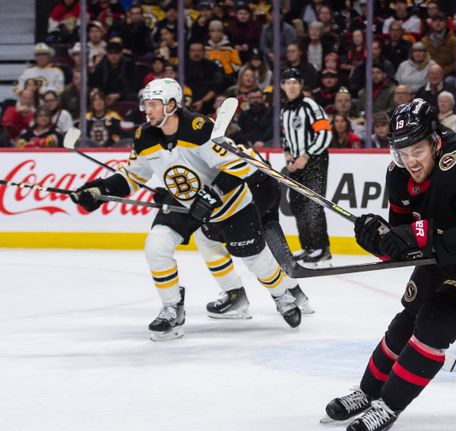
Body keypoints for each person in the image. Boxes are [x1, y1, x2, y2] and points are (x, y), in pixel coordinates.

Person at [325, 99, 456, 431]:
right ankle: (367, 392)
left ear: (436, 142)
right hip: (445, 254)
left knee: (437, 322)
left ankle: (388, 407)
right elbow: (403, 240)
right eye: (402, 152)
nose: (410, 161)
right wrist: (379, 240)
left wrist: (420, 236)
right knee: (406, 320)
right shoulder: (399, 173)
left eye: (417, 150)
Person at [69, 79, 308, 340]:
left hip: (231, 204)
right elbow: (132, 177)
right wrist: (99, 190)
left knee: (254, 259)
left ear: (171, 105)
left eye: (153, 104)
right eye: (145, 104)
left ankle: (281, 294)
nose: (146, 110)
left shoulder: (199, 129)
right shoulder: (144, 136)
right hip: (185, 204)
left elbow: (243, 167)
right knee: (156, 246)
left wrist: (211, 194)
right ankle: (172, 308)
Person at [280, 68, 333, 264]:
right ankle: (308, 247)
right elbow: (286, 138)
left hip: (315, 160)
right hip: (297, 164)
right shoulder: (285, 110)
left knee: (313, 204)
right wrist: (288, 158)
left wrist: (306, 155)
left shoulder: (310, 105)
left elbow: (325, 134)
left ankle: (322, 248)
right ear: (282, 86)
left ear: (301, 85)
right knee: (297, 204)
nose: (291, 86)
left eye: (295, 82)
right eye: (287, 82)